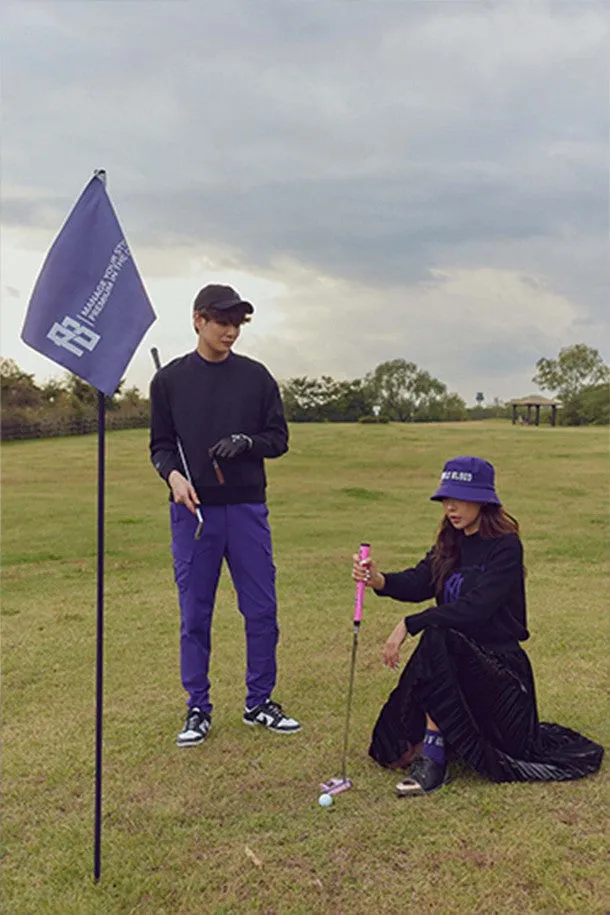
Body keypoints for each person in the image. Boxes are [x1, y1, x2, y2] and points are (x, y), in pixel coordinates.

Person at [352, 456, 604, 796]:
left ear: (483, 499)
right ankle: (443, 736)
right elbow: (418, 582)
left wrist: (409, 625)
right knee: (390, 749)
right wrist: (378, 579)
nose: (450, 507)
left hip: (501, 672)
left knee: (440, 633)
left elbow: (475, 609)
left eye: (460, 498)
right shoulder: (449, 541)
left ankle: (435, 759)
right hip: (453, 667)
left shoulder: (506, 547)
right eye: (446, 499)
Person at [150, 284, 301, 747]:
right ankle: (197, 707)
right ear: (198, 319)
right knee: (195, 614)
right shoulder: (169, 381)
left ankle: (259, 703)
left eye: (237, 323)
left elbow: (278, 438)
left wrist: (247, 442)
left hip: (248, 508)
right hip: (195, 514)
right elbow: (160, 446)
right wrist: (174, 478)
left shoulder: (256, 378)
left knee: (261, 610)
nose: (230, 331)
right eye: (221, 321)